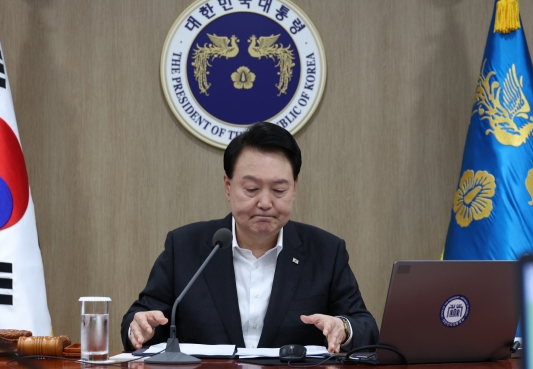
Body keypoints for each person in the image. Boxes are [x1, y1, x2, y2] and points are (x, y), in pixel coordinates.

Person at [121, 122, 378, 352]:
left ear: (294, 188)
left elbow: (365, 326)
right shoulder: (185, 247)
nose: (265, 202)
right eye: (252, 189)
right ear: (228, 187)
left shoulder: (326, 251)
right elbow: (140, 318)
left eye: (279, 189)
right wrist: (140, 326)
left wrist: (343, 328)